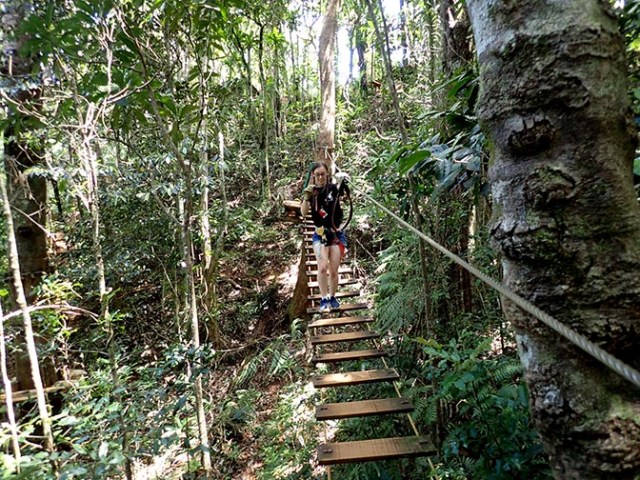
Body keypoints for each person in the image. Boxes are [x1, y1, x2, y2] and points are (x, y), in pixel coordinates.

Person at [300, 162, 348, 313]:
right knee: (322, 267)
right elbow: (303, 213)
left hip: (335, 233)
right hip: (320, 234)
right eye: (317, 175)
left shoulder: (333, 189)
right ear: (313, 176)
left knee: (333, 270)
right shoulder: (312, 192)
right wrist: (306, 197)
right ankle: (323, 298)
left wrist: (343, 183)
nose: (320, 177)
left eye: (323, 174)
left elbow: (345, 196)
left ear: (327, 174)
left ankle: (332, 297)